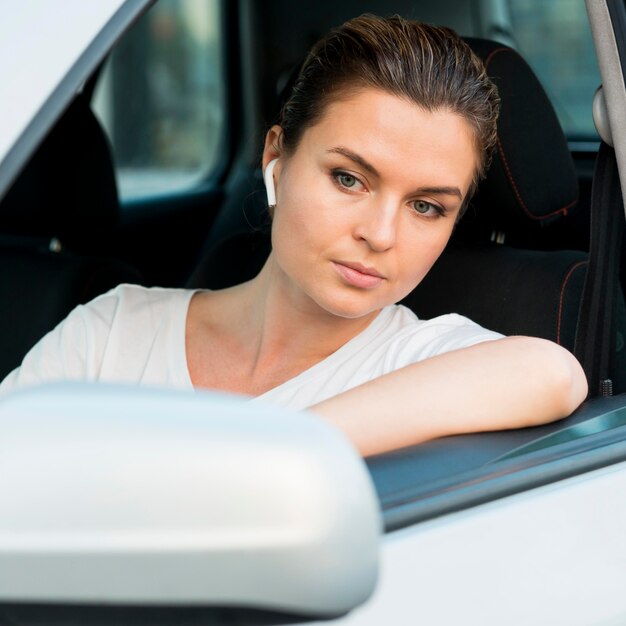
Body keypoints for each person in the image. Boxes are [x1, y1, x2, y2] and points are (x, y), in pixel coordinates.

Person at [0, 15, 587, 456]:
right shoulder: (113, 330)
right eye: (349, 178)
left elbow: (554, 375)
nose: (381, 235)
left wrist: (280, 445)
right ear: (276, 157)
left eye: (427, 206)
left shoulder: (426, 359)